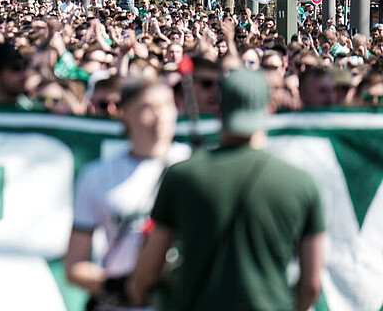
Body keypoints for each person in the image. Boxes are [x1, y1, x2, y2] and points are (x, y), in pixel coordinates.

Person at [127, 69, 324, 311]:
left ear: (219, 108)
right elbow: (312, 284)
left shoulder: (182, 175)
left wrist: (136, 291)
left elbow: (148, 270)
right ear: (270, 109)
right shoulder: (301, 183)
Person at [65, 79, 180, 310]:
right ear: (125, 114)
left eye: (168, 105)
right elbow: (74, 267)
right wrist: (119, 287)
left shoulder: (193, 167)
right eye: (148, 108)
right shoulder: (97, 176)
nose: (161, 117)